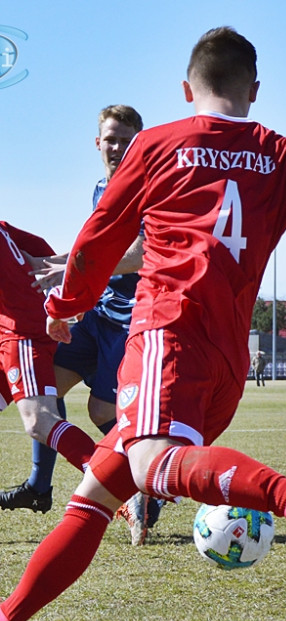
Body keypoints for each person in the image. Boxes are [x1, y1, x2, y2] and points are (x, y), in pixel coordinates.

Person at [0, 26, 286, 621]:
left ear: (185, 89)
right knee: (94, 494)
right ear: (254, 91)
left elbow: (98, 238)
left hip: (166, 336)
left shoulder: (156, 145)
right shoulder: (284, 154)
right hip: (228, 359)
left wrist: (66, 305)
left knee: (151, 466)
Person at [0, 106, 153, 531]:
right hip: (99, 311)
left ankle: (137, 487)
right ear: (97, 142)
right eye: (111, 138)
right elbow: (96, 248)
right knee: (44, 384)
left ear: (140, 142)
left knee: (100, 408)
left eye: (126, 139)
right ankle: (39, 486)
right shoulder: (101, 189)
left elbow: (140, 254)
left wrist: (70, 270)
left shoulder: (146, 188)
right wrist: (58, 264)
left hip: (131, 319)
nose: (118, 147)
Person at [0, 222, 98, 491]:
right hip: (24, 321)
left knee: (39, 421)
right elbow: (39, 247)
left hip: (20, 330)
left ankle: (111, 479)